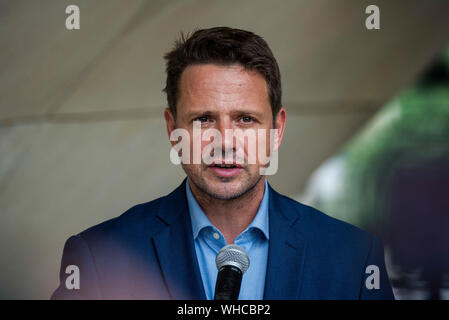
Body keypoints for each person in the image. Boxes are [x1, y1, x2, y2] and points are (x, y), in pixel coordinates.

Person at [51, 27, 394, 300]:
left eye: (245, 119)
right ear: (173, 129)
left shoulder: (353, 258)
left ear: (277, 130)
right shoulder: (99, 258)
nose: (225, 141)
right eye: (203, 119)